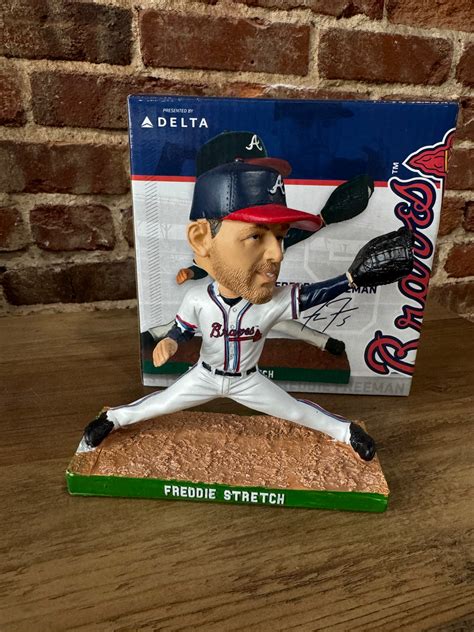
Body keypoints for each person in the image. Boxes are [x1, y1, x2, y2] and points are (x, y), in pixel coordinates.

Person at [84, 161, 413, 462]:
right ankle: (113, 419)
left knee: (295, 411)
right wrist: (170, 342)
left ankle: (346, 432)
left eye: (280, 237)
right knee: (162, 401)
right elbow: (181, 330)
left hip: (249, 382)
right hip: (204, 377)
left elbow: (312, 295)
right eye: (255, 235)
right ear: (201, 239)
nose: (278, 254)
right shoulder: (199, 299)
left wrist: (349, 279)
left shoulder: (273, 300)